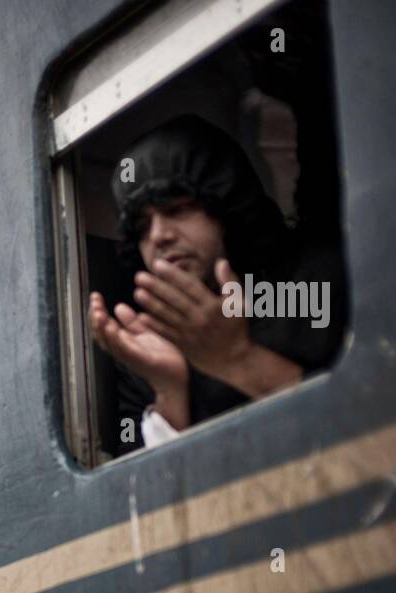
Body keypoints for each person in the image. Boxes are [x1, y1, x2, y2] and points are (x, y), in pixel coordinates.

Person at [88, 114, 346, 451]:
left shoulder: (318, 283)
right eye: (141, 227)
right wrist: (169, 392)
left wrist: (235, 358)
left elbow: (383, 417)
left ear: (227, 208)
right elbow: (147, 497)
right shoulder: (147, 346)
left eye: (179, 209)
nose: (159, 236)